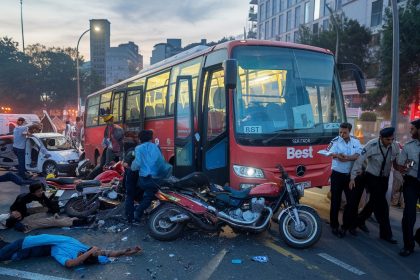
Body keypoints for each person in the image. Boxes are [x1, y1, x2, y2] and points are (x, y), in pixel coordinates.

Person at [350, 127, 400, 244]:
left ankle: (359, 220)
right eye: (388, 139)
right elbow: (359, 160)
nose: (390, 142)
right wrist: (353, 177)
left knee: (373, 202)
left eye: (392, 139)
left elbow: (399, 161)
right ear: (381, 138)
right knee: (382, 206)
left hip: (384, 178)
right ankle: (386, 234)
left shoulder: (394, 145)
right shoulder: (372, 145)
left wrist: (407, 168)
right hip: (372, 177)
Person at [0, 234, 142, 267]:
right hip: (28, 244)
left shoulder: (59, 252)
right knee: (5, 246)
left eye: (94, 253)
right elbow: (111, 253)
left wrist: (89, 252)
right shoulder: (84, 249)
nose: (98, 251)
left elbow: (70, 264)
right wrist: (128, 250)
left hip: (24, 245)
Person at [326, 122, 362, 237]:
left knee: (352, 202)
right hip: (337, 175)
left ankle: (347, 226)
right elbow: (328, 152)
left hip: (350, 176)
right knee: (335, 202)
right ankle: (334, 225)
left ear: (349, 131)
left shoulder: (355, 141)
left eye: (344, 132)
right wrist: (336, 156)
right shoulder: (335, 141)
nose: (342, 134)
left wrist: (347, 158)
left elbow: (358, 155)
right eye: (340, 132)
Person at [132, 130, 172, 222]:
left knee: (148, 195)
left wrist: (132, 168)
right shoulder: (156, 147)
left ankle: (138, 212)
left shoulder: (138, 148)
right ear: (151, 138)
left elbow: (137, 163)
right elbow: (161, 162)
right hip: (158, 177)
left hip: (146, 179)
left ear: (140, 139)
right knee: (152, 193)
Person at [396, 118, 420, 256]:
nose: (410, 131)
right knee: (409, 215)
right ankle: (408, 245)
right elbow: (401, 165)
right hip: (411, 183)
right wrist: (407, 165)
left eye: (413, 129)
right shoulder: (409, 146)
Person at [123, 144, 142, 223]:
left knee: (130, 196)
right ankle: (137, 216)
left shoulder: (131, 150)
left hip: (132, 174)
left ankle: (130, 218)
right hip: (141, 175)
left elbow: (125, 164)